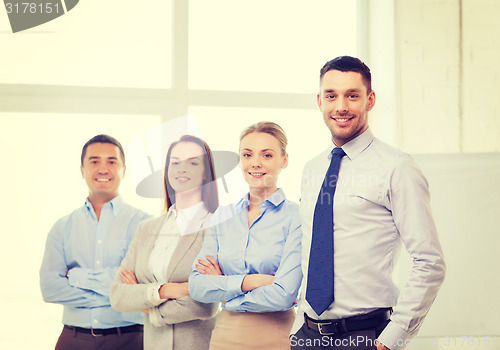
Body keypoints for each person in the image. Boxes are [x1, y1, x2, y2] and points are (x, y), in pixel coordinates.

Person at [290, 56, 446, 350]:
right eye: (331, 95)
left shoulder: (397, 167)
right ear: (320, 101)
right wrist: (298, 327)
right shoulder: (312, 168)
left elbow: (430, 262)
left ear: (370, 99)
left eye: (352, 95)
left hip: (364, 337)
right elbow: (312, 250)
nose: (341, 107)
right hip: (307, 337)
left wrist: (390, 339)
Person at [189, 121, 303, 350]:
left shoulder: (297, 216)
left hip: (276, 335)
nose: (255, 163)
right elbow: (197, 286)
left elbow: (283, 294)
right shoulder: (222, 215)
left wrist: (225, 292)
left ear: (284, 160)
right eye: (247, 154)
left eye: (267, 155)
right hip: (225, 336)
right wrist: (252, 281)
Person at [40, 134, 151, 350]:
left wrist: (78, 277)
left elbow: (143, 286)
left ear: (124, 170)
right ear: (82, 170)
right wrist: (120, 296)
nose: (103, 169)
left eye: (111, 161)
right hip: (73, 340)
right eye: (94, 161)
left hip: (130, 340)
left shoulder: (145, 225)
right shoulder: (62, 227)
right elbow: (50, 288)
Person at [109, 135, 220, 350]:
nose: (182, 169)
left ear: (207, 172)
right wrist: (164, 291)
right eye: (175, 162)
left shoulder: (216, 227)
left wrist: (146, 302)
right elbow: (118, 294)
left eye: (193, 162)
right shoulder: (146, 229)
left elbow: (205, 304)